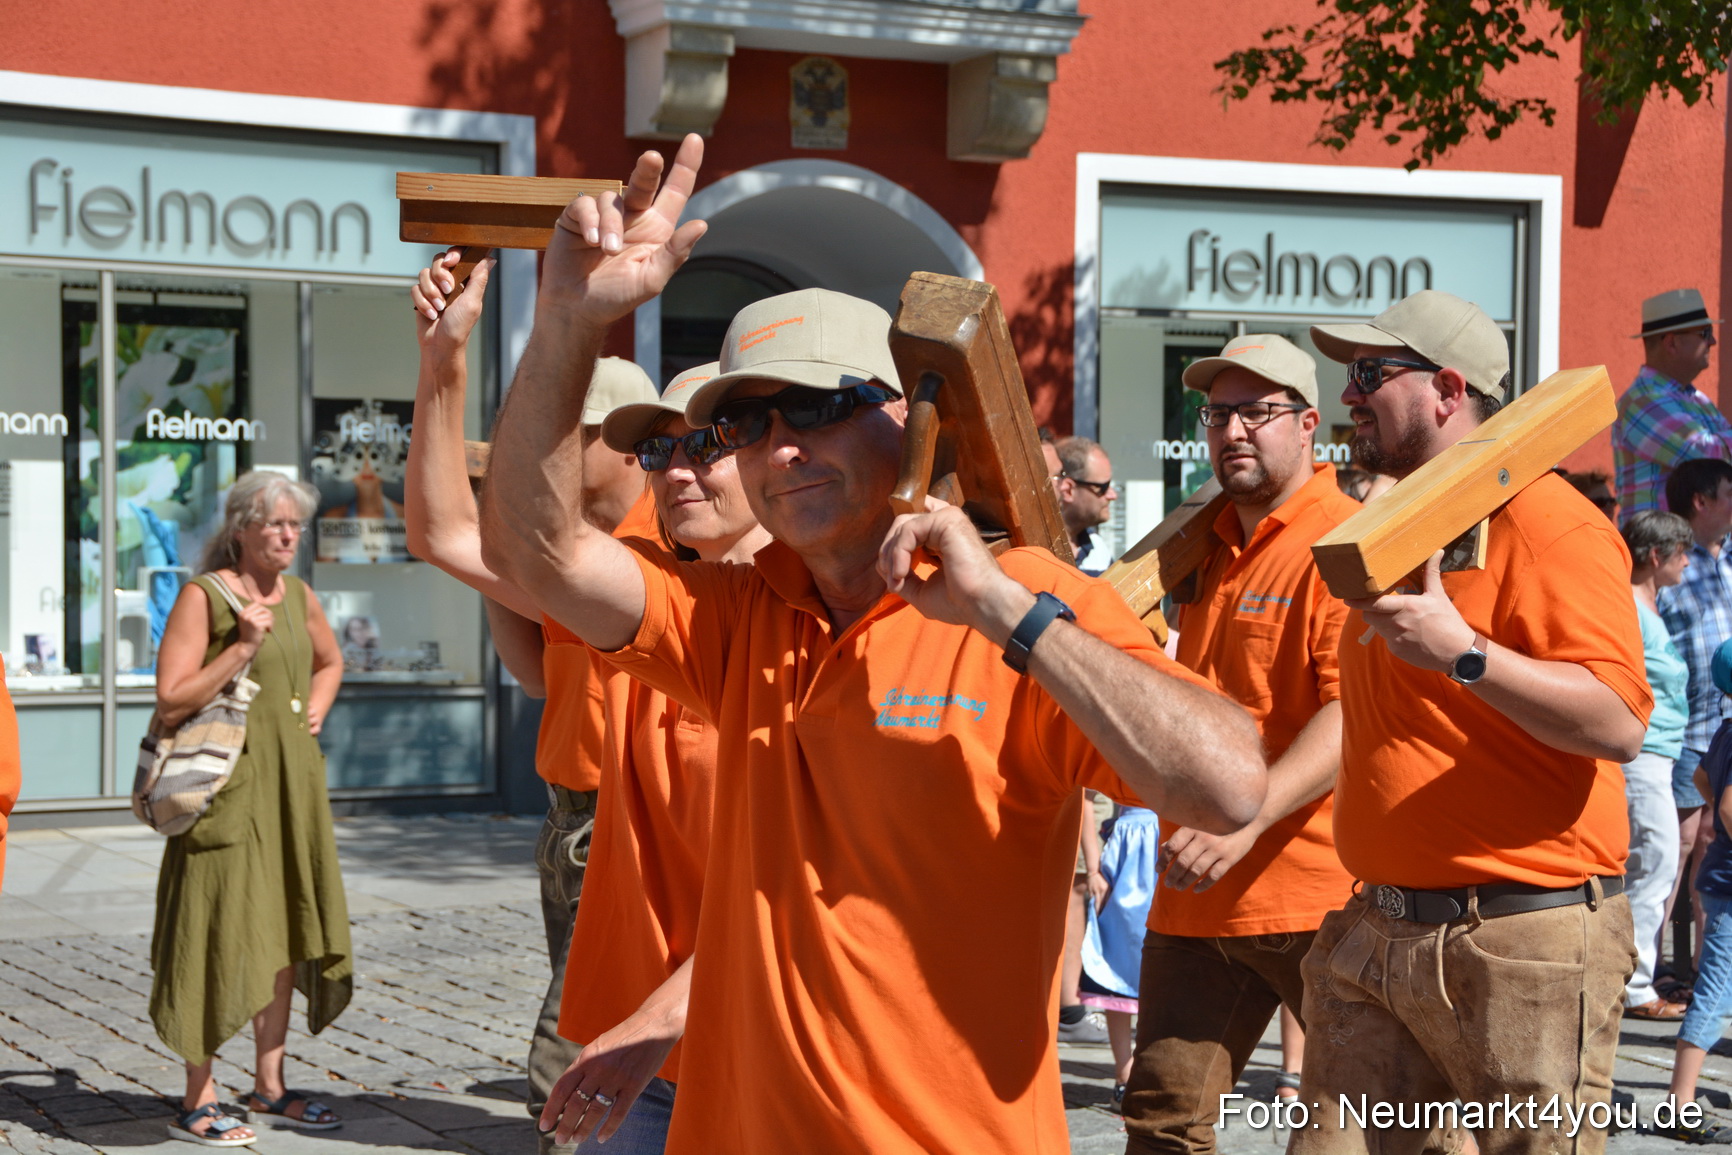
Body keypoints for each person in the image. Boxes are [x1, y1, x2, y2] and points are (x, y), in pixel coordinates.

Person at [480, 135, 1265, 1155]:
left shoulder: (1024, 601)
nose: (781, 449)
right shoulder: (740, 615)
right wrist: (565, 321)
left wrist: (1009, 617)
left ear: (905, 416)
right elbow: (533, 551)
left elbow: (1227, 787)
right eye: (747, 425)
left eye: (816, 407)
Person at [1289, 290, 1649, 1155]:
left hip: (1522, 939)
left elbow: (1618, 721)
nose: (1349, 393)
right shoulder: (1393, 528)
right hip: (1379, 931)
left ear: (1448, 390)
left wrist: (1466, 653)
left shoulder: (1552, 522)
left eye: (1371, 373)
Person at [405, 251, 660, 1154]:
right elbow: (538, 676)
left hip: (629, 825)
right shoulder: (579, 549)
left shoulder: (660, 550)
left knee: (572, 1056)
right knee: (600, 1040)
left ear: (621, 442)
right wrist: (443, 363)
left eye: (565, 430)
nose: (545, 444)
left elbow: (442, 536)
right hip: (571, 817)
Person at [1119, 334, 1359, 1155]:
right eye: (1218, 414)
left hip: (1319, 895)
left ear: (1310, 424)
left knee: (1355, 1129)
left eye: (1258, 412)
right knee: (1161, 1124)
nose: (1233, 431)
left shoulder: (1344, 539)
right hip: (1193, 891)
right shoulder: (1200, 543)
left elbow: (1353, 712)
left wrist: (1246, 821)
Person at [532, 361, 772, 1149]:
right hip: (653, 1028)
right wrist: (449, 363)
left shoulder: (815, 616)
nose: (675, 470)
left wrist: (665, 1012)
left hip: (753, 1031)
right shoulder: (647, 580)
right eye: (656, 451)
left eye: (705, 445)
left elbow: (817, 882)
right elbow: (473, 543)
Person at [151, 471, 349, 1146]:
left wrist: (318, 702)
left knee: (284, 929)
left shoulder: (299, 596)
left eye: (297, 524)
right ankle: (197, 1096)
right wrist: (242, 647)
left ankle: (269, 1085)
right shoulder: (204, 597)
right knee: (212, 929)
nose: (290, 536)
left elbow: (330, 660)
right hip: (225, 791)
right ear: (241, 529)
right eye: (276, 524)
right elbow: (171, 698)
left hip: (291, 786)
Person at [1658, 458, 1732, 992]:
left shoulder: (1729, 559)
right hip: (1684, 728)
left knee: (1714, 843)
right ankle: (1643, 974)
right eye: (1730, 492)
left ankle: (1711, 971)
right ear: (1701, 501)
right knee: (1673, 848)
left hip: (1725, 728)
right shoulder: (1671, 563)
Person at [1620, 510, 1694, 1021]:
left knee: (1652, 864)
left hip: (1660, 753)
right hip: (1642, 754)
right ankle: (1636, 987)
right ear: (1654, 555)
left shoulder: (1652, 604)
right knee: (1655, 863)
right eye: (1681, 553)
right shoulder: (1630, 605)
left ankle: (1631, 981)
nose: (1687, 563)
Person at [1659, 637, 1732, 1143]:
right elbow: (1726, 806)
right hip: (1729, 886)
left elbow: (1705, 779)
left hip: (1720, 879)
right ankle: (1678, 1104)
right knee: (1714, 992)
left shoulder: (1726, 730)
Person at [1612, 288, 1727, 518]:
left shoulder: (1697, 399)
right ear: (1672, 343)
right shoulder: (1643, 401)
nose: (1713, 341)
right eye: (1705, 333)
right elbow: (1715, 457)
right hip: (1658, 540)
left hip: (1681, 539)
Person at [1077, 798, 1156, 1107]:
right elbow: (1085, 797)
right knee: (1118, 959)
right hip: (1128, 851)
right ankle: (1125, 1073)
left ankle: (1159, 1071)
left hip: (1171, 842)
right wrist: (1093, 868)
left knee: (1170, 964)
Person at [1054, 435, 1119, 574]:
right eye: (1103, 487)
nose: (1113, 495)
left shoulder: (1099, 550)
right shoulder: (1033, 550)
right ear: (1068, 490)